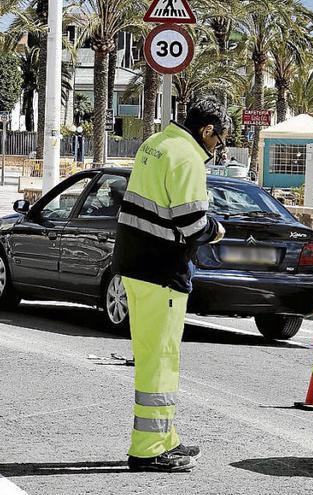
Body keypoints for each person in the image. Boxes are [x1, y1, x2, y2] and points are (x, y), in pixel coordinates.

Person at [113, 101, 228, 472]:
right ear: (207, 130)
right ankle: (148, 448)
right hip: (162, 270)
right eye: (220, 140)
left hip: (134, 263)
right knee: (160, 360)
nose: (219, 149)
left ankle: (166, 438)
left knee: (153, 353)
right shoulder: (187, 157)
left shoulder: (156, 143)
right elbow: (192, 223)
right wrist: (217, 230)